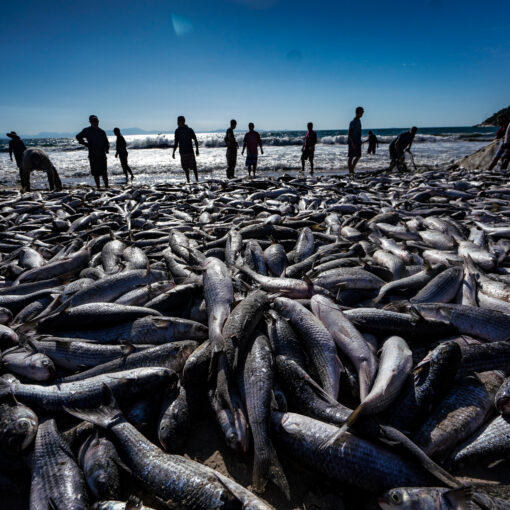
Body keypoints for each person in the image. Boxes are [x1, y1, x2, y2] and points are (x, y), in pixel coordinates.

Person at [76, 115, 110, 189]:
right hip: (93, 154)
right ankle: (98, 187)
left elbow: (106, 142)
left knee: (104, 171)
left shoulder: (102, 132)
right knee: (95, 172)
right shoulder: (87, 130)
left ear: (98, 121)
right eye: (93, 121)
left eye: (96, 121)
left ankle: (106, 186)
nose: (95, 122)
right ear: (90, 122)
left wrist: (107, 148)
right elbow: (78, 136)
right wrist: (85, 143)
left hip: (102, 154)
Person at [172, 116, 199, 183]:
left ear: (183, 121)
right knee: (186, 168)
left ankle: (197, 180)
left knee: (194, 167)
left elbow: (195, 140)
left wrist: (197, 149)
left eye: (179, 121)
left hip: (190, 151)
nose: (177, 122)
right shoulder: (177, 131)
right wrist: (173, 152)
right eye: (178, 121)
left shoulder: (189, 130)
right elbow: (176, 142)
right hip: (182, 152)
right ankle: (188, 181)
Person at [348, 106, 364, 174]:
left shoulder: (359, 121)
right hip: (352, 142)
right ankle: (351, 171)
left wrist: (360, 140)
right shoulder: (353, 122)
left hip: (358, 141)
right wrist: (352, 143)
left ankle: (352, 169)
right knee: (351, 157)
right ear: (358, 112)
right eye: (362, 112)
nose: (362, 113)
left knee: (358, 156)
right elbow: (349, 133)